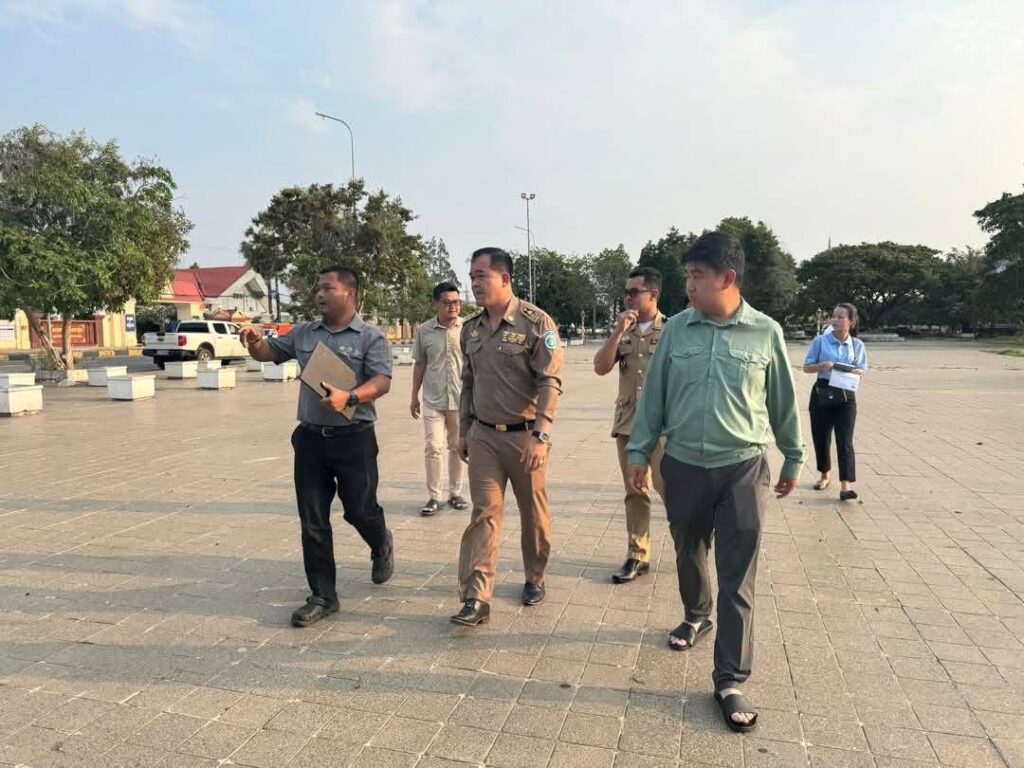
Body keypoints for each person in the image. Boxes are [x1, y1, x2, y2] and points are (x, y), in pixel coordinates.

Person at [626, 232, 805, 733]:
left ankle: (729, 678)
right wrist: (639, 450)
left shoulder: (765, 332)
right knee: (688, 551)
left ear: (727, 277)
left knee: (738, 575)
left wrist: (793, 456)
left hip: (743, 468)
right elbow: (654, 396)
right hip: (682, 464)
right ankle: (696, 613)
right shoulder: (677, 332)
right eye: (686, 275)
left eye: (697, 276)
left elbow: (783, 399)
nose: (688, 285)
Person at [240, 266, 395, 628]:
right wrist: (254, 341)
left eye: (327, 288)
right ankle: (323, 595)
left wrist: (350, 397)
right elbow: (267, 353)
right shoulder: (304, 333)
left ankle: (380, 541)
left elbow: (382, 381)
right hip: (311, 440)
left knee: (360, 510)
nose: (319, 295)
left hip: (355, 438)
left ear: (349, 293)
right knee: (312, 520)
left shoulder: (370, 337)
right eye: (318, 289)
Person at [450, 247, 563, 626]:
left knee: (534, 514)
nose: (474, 283)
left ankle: (535, 576)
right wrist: (464, 430)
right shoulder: (471, 329)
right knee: (484, 513)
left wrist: (541, 434)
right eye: (471, 277)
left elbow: (550, 381)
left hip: (525, 436)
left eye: (481, 276)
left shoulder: (536, 323)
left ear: (505, 278)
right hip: (483, 436)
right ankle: (476, 597)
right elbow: (468, 382)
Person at [592, 266, 667, 583]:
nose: (628, 298)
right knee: (635, 492)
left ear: (654, 294)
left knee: (672, 490)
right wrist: (617, 332)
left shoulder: (672, 330)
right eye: (626, 292)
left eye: (635, 292)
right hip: (628, 424)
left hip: (663, 427)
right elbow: (600, 367)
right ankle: (638, 554)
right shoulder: (623, 330)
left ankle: (689, 546)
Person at [410, 281, 469, 516]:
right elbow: (420, 364)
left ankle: (455, 493)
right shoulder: (424, 331)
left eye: (456, 302)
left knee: (457, 447)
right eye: (447, 303)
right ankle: (434, 497)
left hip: (460, 399)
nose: (453, 306)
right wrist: (414, 396)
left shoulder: (467, 328)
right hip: (433, 400)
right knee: (433, 447)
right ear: (435, 304)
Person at [803, 303, 867, 501]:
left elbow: (862, 370)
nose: (835, 320)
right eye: (834, 316)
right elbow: (806, 367)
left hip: (846, 395)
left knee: (844, 439)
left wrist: (852, 371)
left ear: (851, 321)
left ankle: (846, 485)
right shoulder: (820, 341)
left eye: (841, 317)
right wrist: (823, 365)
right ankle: (824, 474)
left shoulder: (857, 345)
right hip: (822, 392)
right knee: (821, 437)